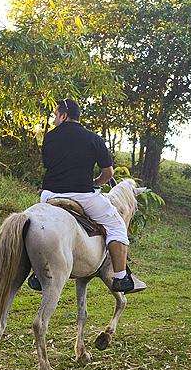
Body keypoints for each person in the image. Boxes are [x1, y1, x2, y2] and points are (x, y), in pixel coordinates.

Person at [29, 98, 144, 294]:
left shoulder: (49, 137)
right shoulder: (94, 139)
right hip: (82, 195)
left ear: (64, 115)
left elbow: (49, 165)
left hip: (49, 195)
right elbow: (108, 173)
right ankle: (121, 277)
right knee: (116, 225)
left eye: (56, 115)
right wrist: (96, 183)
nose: (54, 120)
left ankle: (36, 272)